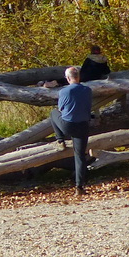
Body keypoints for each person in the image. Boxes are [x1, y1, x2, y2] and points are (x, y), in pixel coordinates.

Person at [50, 65, 93, 193]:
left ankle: (60, 139)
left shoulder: (64, 91)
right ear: (78, 77)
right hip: (83, 125)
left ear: (68, 78)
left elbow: (61, 109)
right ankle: (79, 186)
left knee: (53, 113)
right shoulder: (88, 90)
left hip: (68, 125)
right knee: (80, 155)